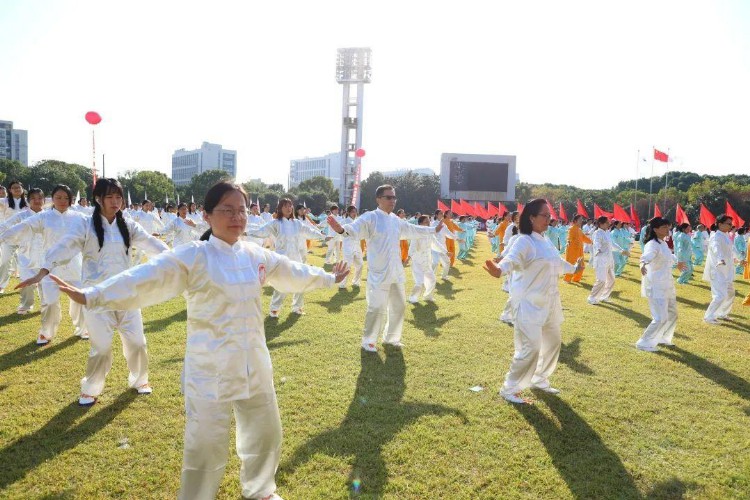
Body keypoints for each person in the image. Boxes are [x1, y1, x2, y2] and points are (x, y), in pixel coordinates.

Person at [50, 181, 349, 500]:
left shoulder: (254, 254)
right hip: (211, 368)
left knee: (266, 433)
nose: (237, 217)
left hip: (254, 363)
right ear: (207, 215)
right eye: (228, 210)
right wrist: (94, 294)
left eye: (242, 210)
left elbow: (292, 271)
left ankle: (260, 489)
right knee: (205, 447)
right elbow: (145, 278)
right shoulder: (194, 256)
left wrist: (329, 277)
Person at [17, 178, 170, 405]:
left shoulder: (128, 225)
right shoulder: (85, 225)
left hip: (127, 294)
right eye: (110, 197)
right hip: (96, 296)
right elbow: (65, 246)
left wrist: (177, 260)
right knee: (101, 348)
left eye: (118, 197)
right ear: (98, 199)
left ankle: (140, 380)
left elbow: (153, 245)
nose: (115, 201)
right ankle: (91, 388)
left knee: (138, 342)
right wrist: (43, 270)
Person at [483, 199, 583, 404]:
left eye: (549, 216)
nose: (549, 219)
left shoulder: (544, 241)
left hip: (550, 303)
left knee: (553, 343)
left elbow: (558, 263)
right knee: (531, 347)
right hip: (528, 304)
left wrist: (575, 269)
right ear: (531, 217)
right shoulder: (524, 241)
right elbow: (511, 260)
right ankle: (509, 387)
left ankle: (540, 378)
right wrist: (500, 270)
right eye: (545, 215)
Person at [326, 184, 444, 352]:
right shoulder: (370, 217)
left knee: (399, 306)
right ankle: (369, 341)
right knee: (376, 308)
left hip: (396, 272)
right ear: (378, 199)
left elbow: (412, 229)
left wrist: (433, 229)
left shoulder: (396, 220)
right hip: (378, 273)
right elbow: (354, 229)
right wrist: (341, 229)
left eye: (394, 197)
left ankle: (391, 338)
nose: (392, 201)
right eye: (388, 197)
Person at [1, 185, 89, 343]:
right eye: (58, 197)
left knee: (79, 297)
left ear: (70, 199)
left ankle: (83, 329)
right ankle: (46, 332)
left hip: (75, 265)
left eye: (66, 198)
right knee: (49, 301)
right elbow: (24, 226)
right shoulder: (44, 217)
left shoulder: (80, 217)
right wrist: (2, 236)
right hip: (50, 266)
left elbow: (98, 229)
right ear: (52, 199)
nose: (62, 201)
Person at [247, 198, 327, 317]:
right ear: (280, 208)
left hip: (296, 257)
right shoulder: (276, 223)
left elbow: (309, 231)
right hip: (281, 259)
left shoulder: (297, 223)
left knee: (301, 281)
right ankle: (274, 309)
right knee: (281, 284)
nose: (289, 208)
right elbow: (262, 231)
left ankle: (297, 307)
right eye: (285, 206)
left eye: (290, 206)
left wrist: (323, 236)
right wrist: (247, 233)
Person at [636, 217, 687, 352]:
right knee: (660, 317)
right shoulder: (652, 244)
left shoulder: (663, 243)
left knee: (672, 314)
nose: (667, 229)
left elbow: (670, 256)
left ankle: (663, 337)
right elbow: (646, 257)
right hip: (656, 284)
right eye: (664, 227)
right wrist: (643, 264)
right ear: (655, 229)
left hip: (667, 283)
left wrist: (678, 263)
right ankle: (643, 342)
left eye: (667, 227)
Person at [0, 187, 45, 316]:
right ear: (28, 200)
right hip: (26, 253)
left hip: (45, 254)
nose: (37, 201)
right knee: (26, 279)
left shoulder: (48, 215)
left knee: (46, 282)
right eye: (33, 198)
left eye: (39, 198)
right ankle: (26, 304)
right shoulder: (22, 215)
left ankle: (46, 304)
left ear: (43, 200)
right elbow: (6, 225)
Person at [703, 214, 736, 324]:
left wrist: (738, 259)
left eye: (731, 224)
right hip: (718, 270)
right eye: (729, 224)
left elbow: (730, 251)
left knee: (730, 293)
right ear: (720, 224)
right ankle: (709, 316)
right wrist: (720, 259)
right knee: (720, 295)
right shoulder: (716, 236)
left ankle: (722, 313)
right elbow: (716, 248)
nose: (731, 226)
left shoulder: (725, 235)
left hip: (727, 270)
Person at [588, 216, 624, 305]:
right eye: (607, 223)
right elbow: (596, 243)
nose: (609, 224)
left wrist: (621, 250)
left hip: (609, 259)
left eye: (609, 222)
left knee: (612, 279)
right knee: (601, 280)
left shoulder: (607, 232)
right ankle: (592, 297)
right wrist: (598, 249)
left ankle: (604, 296)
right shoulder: (597, 233)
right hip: (600, 259)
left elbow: (612, 244)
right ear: (601, 224)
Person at [407, 215, 443, 303]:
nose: (428, 223)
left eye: (429, 221)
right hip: (418, 262)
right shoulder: (416, 234)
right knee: (419, 282)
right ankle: (412, 298)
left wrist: (445, 252)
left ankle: (427, 296)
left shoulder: (430, 233)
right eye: (426, 221)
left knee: (432, 279)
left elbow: (436, 244)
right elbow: (412, 249)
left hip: (427, 261)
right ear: (420, 223)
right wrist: (410, 258)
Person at [0, 181, 28, 292]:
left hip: (25, 238)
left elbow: (45, 202)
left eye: (18, 187)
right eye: (13, 188)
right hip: (9, 238)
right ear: (10, 190)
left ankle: (29, 283)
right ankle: (1, 285)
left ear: (22, 189)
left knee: (27, 262)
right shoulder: (5, 201)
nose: (16, 189)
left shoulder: (28, 202)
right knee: (5, 261)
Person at [339, 205, 364, 289]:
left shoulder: (357, 222)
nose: (354, 213)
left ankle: (355, 281)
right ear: (348, 213)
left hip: (357, 246)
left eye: (355, 212)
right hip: (348, 246)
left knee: (360, 264)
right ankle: (342, 283)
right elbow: (340, 232)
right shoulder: (344, 221)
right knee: (347, 265)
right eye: (353, 212)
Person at [563, 215, 592, 283]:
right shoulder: (571, 228)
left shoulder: (579, 230)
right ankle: (567, 279)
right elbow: (569, 237)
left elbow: (584, 237)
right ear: (575, 221)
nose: (581, 221)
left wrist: (591, 242)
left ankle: (576, 279)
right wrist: (568, 241)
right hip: (572, 250)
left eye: (582, 220)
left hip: (579, 251)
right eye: (580, 220)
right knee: (571, 265)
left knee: (581, 265)